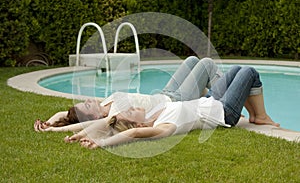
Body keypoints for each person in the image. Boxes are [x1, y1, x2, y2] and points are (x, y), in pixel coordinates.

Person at [79, 66, 280, 149]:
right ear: (137, 124)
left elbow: (108, 122)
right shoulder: (164, 126)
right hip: (225, 111)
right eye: (131, 112)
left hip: (210, 99)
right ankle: (260, 116)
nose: (134, 107)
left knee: (235, 69)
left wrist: (83, 134)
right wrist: (102, 144)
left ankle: (255, 115)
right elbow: (134, 134)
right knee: (249, 72)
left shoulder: (154, 115)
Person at [34, 56, 222, 131]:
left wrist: (49, 122)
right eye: (88, 105)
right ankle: (225, 102)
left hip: (166, 92)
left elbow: (62, 115)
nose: (90, 100)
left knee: (191, 60)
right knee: (206, 64)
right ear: (94, 116)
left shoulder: (107, 102)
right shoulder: (114, 115)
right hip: (174, 101)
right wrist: (55, 130)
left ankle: (212, 99)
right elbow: (82, 127)